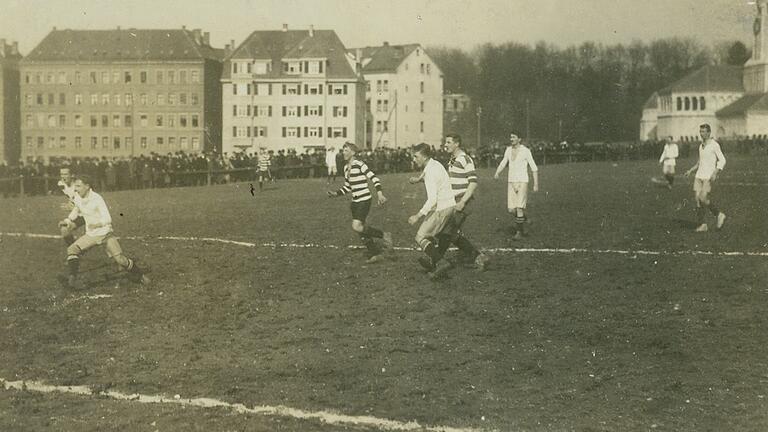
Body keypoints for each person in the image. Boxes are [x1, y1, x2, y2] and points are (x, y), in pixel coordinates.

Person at [58, 175, 149, 289]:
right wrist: (67, 220)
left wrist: (97, 224)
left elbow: (108, 219)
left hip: (105, 234)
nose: (76, 189)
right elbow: (76, 209)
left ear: (87, 186)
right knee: (72, 249)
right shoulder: (77, 197)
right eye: (75, 186)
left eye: (78, 186)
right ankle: (72, 281)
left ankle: (140, 276)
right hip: (91, 235)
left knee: (121, 260)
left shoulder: (97, 199)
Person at [327, 142, 392, 263]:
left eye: (346, 150)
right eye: (343, 150)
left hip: (364, 199)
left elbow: (374, 178)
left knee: (356, 226)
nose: (343, 153)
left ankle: (384, 235)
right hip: (355, 202)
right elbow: (348, 187)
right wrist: (336, 193)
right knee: (360, 229)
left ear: (353, 152)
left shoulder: (360, 164)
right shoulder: (346, 168)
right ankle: (375, 254)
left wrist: (380, 193)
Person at [408, 143, 456, 276]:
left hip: (441, 208)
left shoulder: (429, 172)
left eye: (416, 156)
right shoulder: (435, 164)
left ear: (423, 157)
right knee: (441, 235)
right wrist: (418, 179)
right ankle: (434, 262)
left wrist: (418, 216)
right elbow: (428, 175)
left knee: (420, 236)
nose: (414, 159)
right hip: (451, 206)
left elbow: (432, 200)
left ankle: (440, 262)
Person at [494, 133, 539, 240]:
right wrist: (497, 172)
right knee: (511, 209)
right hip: (511, 182)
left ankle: (519, 232)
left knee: (519, 207)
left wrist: (536, 184)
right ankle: (524, 219)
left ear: (519, 139)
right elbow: (504, 162)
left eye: (514, 137)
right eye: (510, 137)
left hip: (522, 181)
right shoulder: (508, 150)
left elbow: (534, 168)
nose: (511, 139)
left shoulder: (526, 151)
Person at [684, 123, 726, 232]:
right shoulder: (701, 145)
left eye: (703, 131)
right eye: (700, 131)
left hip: (708, 176)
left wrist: (715, 172)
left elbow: (722, 160)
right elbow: (699, 162)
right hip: (699, 175)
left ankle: (719, 214)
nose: (701, 133)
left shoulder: (714, 145)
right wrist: (690, 170)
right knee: (697, 200)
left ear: (708, 132)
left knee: (703, 198)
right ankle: (703, 225)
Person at [57, 167, 85, 248]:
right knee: (64, 230)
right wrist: (71, 203)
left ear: (72, 175)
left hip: (90, 213)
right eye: (61, 174)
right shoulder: (61, 184)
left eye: (65, 174)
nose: (63, 176)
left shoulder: (78, 186)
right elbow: (72, 198)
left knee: (102, 236)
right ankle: (75, 250)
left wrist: (72, 207)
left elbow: (83, 203)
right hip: (80, 214)